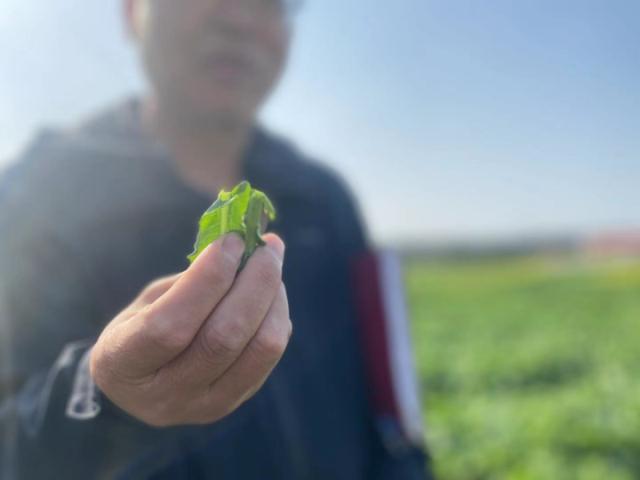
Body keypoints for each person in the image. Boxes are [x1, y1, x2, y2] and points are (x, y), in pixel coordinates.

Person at [0, 0, 432, 478]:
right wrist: (103, 393)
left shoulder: (325, 198)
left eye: (270, 4)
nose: (240, 19)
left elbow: (384, 404)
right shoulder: (33, 197)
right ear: (132, 13)